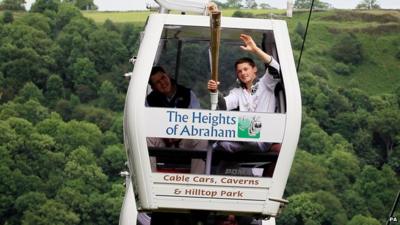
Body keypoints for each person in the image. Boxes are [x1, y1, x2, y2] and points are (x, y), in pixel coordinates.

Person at [208, 34, 281, 154]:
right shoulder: (237, 92)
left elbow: (275, 68)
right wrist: (215, 91)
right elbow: (224, 104)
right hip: (245, 138)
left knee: (236, 128)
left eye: (246, 69)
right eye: (239, 71)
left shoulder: (265, 83)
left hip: (263, 137)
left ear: (254, 69)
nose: (243, 73)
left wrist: (256, 50)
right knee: (219, 144)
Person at [146, 66, 208, 173]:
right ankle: (151, 176)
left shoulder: (187, 94)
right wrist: (165, 133)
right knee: (147, 137)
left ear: (168, 75)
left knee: (201, 139)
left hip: (184, 139)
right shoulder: (150, 100)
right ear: (153, 87)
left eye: (163, 78)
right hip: (163, 142)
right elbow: (147, 123)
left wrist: (181, 132)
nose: (163, 83)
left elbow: (199, 120)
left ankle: (197, 179)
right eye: (157, 82)